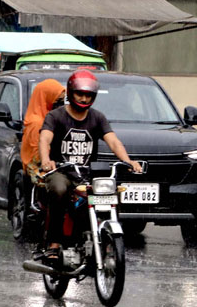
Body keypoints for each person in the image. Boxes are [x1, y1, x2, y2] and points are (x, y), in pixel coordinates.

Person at [39, 70, 142, 260]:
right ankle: (54, 243)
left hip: (87, 173)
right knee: (59, 190)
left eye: (88, 95)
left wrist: (128, 161)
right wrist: (46, 160)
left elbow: (113, 142)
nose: (84, 98)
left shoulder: (97, 117)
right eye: (80, 94)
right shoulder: (55, 116)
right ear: (70, 92)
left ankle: (108, 240)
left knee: (110, 193)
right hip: (60, 170)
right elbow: (45, 138)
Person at [21, 79, 65, 181]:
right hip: (40, 172)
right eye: (58, 101)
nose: (61, 105)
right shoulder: (37, 123)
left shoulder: (49, 119)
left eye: (63, 101)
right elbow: (38, 156)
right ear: (47, 99)